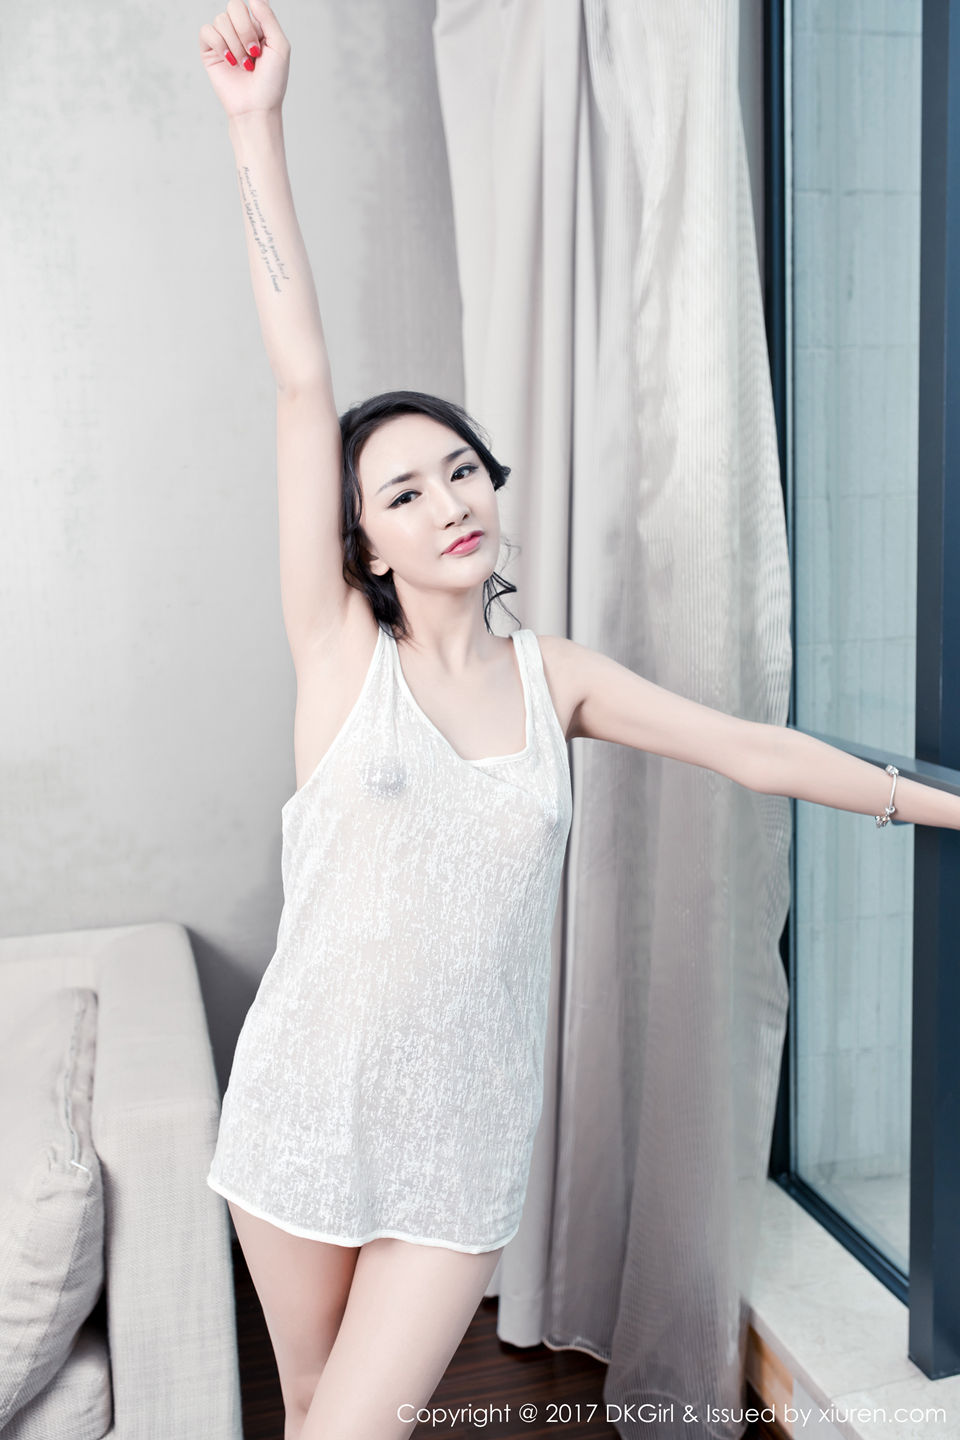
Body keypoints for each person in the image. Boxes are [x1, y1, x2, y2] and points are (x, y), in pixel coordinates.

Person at [197, 5, 958, 1438]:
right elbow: (303, 379)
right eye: (404, 492)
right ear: (363, 545)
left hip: (458, 1146)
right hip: (295, 1107)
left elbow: (751, 748)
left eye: (462, 470)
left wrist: (942, 802)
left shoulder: (561, 681)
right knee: (311, 1419)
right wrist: (255, 125)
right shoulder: (338, 659)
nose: (449, 501)